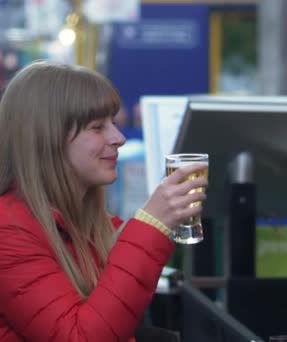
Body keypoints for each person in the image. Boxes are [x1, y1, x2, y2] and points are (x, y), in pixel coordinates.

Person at [0, 61, 207, 341]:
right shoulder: (8, 230)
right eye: (98, 127)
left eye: (115, 123)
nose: (119, 138)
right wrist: (151, 226)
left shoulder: (87, 224)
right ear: (46, 140)